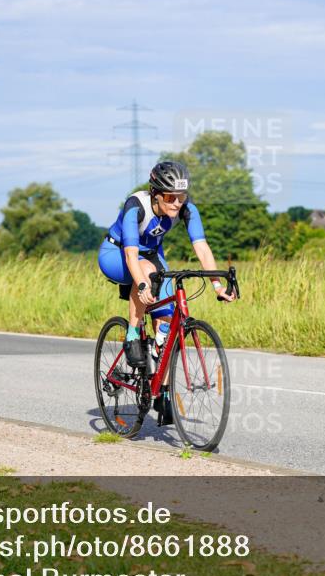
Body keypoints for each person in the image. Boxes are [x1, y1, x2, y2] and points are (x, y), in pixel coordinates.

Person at [98, 160, 235, 424]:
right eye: (170, 197)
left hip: (151, 255)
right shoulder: (135, 206)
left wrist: (217, 285)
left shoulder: (186, 209)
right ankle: (133, 336)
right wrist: (140, 284)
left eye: (181, 197)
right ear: (155, 194)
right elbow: (130, 254)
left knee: (167, 314)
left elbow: (202, 248)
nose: (177, 203)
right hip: (116, 253)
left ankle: (160, 382)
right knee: (148, 271)